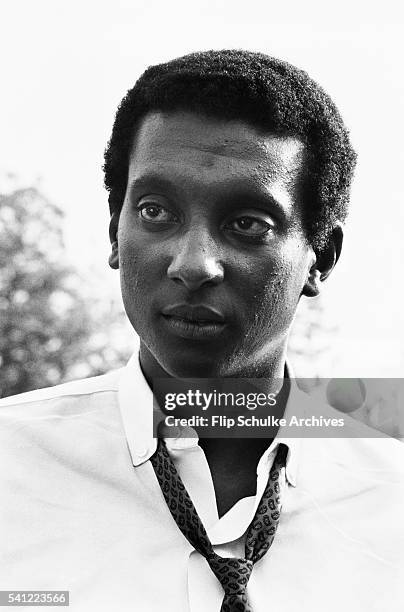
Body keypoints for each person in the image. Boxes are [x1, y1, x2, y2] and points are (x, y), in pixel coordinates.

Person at [0, 50, 403, 612]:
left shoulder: (392, 492)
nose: (193, 264)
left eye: (247, 224)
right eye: (155, 211)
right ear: (114, 231)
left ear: (320, 259)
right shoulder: (10, 466)